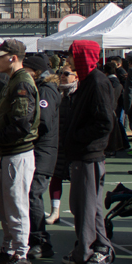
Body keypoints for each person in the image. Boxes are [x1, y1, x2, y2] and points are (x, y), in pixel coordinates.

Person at [0, 39, 40, 264]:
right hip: (9, 152)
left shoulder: (22, 82)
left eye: (0, 56)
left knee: (16, 204)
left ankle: (21, 252)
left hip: (18, 152)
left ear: (12, 57)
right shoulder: (12, 81)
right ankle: (8, 248)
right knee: (5, 206)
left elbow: (21, 123)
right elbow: (0, 114)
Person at [61, 40, 116, 264]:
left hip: (89, 153)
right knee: (85, 205)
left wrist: (78, 136)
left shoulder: (97, 82)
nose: (69, 60)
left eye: (73, 56)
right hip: (83, 153)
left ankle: (93, 249)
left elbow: (104, 122)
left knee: (85, 205)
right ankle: (94, 247)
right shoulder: (88, 81)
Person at [22, 54, 60, 259]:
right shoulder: (40, 88)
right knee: (31, 194)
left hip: (42, 152)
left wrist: (25, 127)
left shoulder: (46, 90)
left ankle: (40, 240)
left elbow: (43, 122)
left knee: (33, 194)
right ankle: (36, 238)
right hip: (40, 150)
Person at [48, 63, 79, 224]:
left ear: (76, 76)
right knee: (56, 176)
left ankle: (78, 212)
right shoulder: (56, 93)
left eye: (67, 73)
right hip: (57, 142)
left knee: (76, 180)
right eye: (61, 73)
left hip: (74, 144)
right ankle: (55, 212)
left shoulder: (78, 94)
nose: (62, 76)